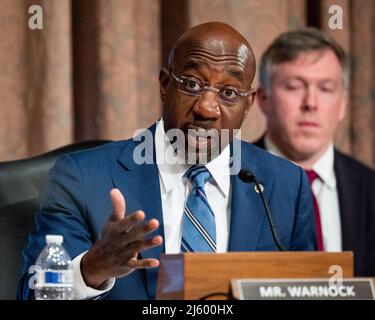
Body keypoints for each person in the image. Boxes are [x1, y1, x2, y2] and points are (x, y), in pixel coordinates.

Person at [18, 22, 316, 300]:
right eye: (191, 84)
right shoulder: (81, 177)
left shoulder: (285, 184)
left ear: (248, 104)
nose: (207, 109)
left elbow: (307, 289)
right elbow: (33, 292)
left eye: (228, 93)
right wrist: (92, 268)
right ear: (164, 84)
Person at [255, 27, 375, 276]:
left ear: (342, 105)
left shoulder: (370, 188)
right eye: (294, 86)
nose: (310, 103)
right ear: (263, 99)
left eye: (325, 88)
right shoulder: (226, 181)